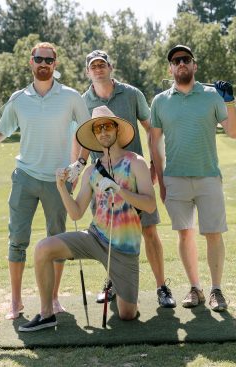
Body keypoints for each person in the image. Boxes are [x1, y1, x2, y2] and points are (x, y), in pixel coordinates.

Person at [0, 42, 91, 319]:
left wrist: (80, 165)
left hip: (58, 182)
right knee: (17, 241)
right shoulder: (18, 98)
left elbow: (86, 134)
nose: (43, 64)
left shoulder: (71, 97)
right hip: (24, 177)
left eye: (49, 60)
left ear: (55, 64)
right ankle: (16, 302)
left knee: (57, 241)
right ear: (31, 62)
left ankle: (53, 298)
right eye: (39, 59)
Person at [19, 106, 156, 331]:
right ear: (94, 134)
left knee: (127, 315)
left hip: (124, 249)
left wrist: (119, 190)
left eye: (107, 126)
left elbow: (150, 205)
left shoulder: (136, 162)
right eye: (98, 128)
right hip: (94, 238)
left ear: (117, 129)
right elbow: (76, 213)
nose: (103, 131)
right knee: (43, 248)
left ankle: (121, 288)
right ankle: (46, 314)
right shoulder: (92, 170)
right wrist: (61, 187)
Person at [75, 50, 176, 308]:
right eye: (93, 66)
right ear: (88, 72)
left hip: (135, 173)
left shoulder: (132, 94)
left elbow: (151, 130)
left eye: (102, 65)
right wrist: (79, 166)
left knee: (150, 231)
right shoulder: (83, 101)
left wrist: (154, 164)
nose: (98, 69)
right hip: (103, 179)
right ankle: (112, 283)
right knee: (108, 234)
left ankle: (161, 286)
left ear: (110, 67)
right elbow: (86, 139)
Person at [149, 45, 236, 312]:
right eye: (176, 61)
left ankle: (216, 290)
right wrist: (162, 180)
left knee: (213, 233)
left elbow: (234, 132)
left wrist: (230, 102)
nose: (181, 64)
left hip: (208, 177)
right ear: (170, 68)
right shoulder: (160, 101)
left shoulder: (213, 96)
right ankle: (195, 288)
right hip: (175, 179)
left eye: (186, 60)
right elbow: (154, 142)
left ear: (194, 66)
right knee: (184, 234)